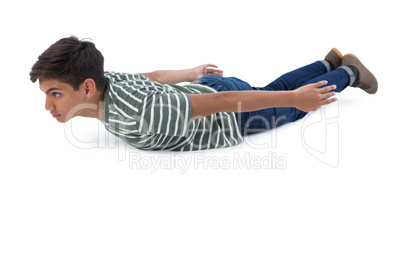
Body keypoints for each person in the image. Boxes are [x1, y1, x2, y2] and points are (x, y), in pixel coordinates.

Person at [30, 36, 378, 151]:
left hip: (231, 116)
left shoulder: (141, 112)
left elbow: (222, 103)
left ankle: (348, 73)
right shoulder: (106, 81)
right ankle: (327, 61)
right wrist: (192, 73)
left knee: (284, 97)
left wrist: (296, 102)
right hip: (204, 90)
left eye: (56, 94)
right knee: (272, 88)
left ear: (87, 87)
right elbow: (152, 76)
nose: (47, 105)